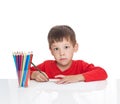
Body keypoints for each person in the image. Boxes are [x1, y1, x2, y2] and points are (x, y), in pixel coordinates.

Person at [30, 25, 108, 84]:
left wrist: (77, 77)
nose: (62, 53)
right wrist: (34, 74)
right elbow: (23, 72)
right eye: (56, 49)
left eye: (66, 47)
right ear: (51, 51)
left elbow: (102, 72)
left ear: (75, 47)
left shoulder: (80, 65)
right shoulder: (46, 65)